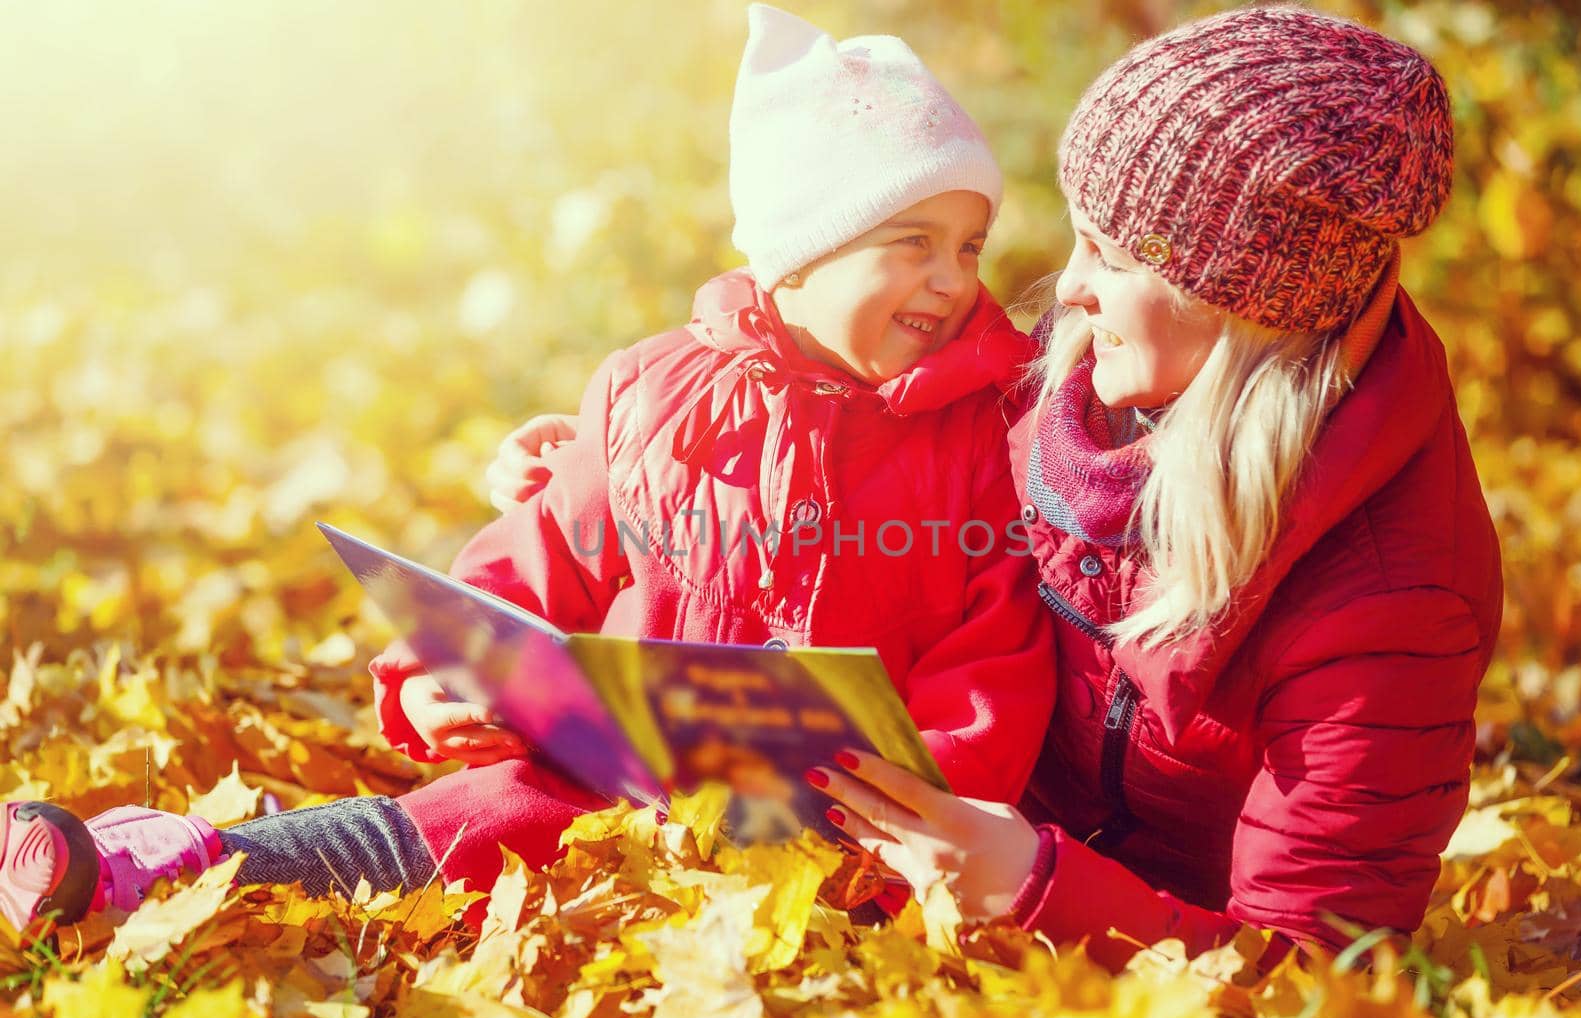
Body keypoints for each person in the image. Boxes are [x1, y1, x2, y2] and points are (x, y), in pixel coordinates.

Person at [0, 5, 1056, 932]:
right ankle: (160, 862)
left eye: (968, 246)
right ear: (798, 251)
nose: (951, 279)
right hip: (619, 790)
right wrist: (443, 682)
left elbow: (994, 655)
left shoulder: (974, 437)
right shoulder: (654, 396)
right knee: (473, 820)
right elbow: (531, 565)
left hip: (857, 831)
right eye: (913, 239)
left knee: (795, 905)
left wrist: (919, 811)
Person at [495, 6, 1504, 969]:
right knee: (545, 797)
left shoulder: (1390, 600)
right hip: (907, 854)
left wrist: (1036, 887)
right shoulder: (1071, 383)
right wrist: (601, 463)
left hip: (1117, 952)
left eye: (1107, 256)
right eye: (1077, 237)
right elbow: (864, 447)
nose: (1064, 287)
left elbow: (1316, 978)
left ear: (1235, 300)